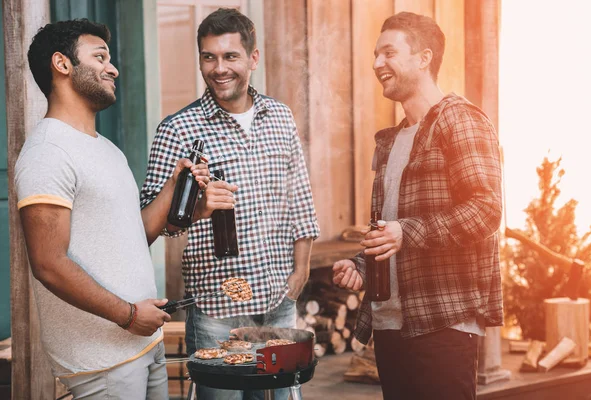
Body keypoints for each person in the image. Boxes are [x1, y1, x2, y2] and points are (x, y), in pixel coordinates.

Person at [16, 19, 209, 399]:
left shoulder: (106, 148)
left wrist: (173, 187)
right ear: (62, 64)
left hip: (142, 345)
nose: (113, 68)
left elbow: (132, 238)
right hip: (101, 360)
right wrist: (129, 315)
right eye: (100, 56)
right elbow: (48, 263)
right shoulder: (48, 153)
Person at [140, 7, 320, 400]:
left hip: (277, 303)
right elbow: (150, 227)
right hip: (216, 312)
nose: (219, 68)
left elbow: (300, 198)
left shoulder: (280, 117)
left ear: (253, 58)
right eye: (209, 57)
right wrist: (196, 211)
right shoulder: (178, 130)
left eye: (230, 56)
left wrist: (301, 271)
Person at [332, 11, 503, 400]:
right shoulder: (392, 139)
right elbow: (392, 227)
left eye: (388, 53)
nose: (377, 64)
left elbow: (486, 209)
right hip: (391, 322)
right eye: (376, 55)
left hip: (443, 322)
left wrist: (404, 232)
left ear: (424, 58)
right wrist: (361, 265)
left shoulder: (460, 120)